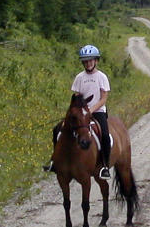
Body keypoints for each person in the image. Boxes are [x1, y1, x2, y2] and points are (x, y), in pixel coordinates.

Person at [43, 44, 113, 179]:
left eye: (90, 60)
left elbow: (103, 98)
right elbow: (77, 97)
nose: (88, 63)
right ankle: (54, 161)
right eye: (85, 61)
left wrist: (91, 110)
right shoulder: (79, 77)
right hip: (81, 113)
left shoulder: (102, 77)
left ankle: (105, 165)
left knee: (104, 134)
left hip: (98, 111)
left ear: (96, 61)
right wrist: (75, 111)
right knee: (58, 130)